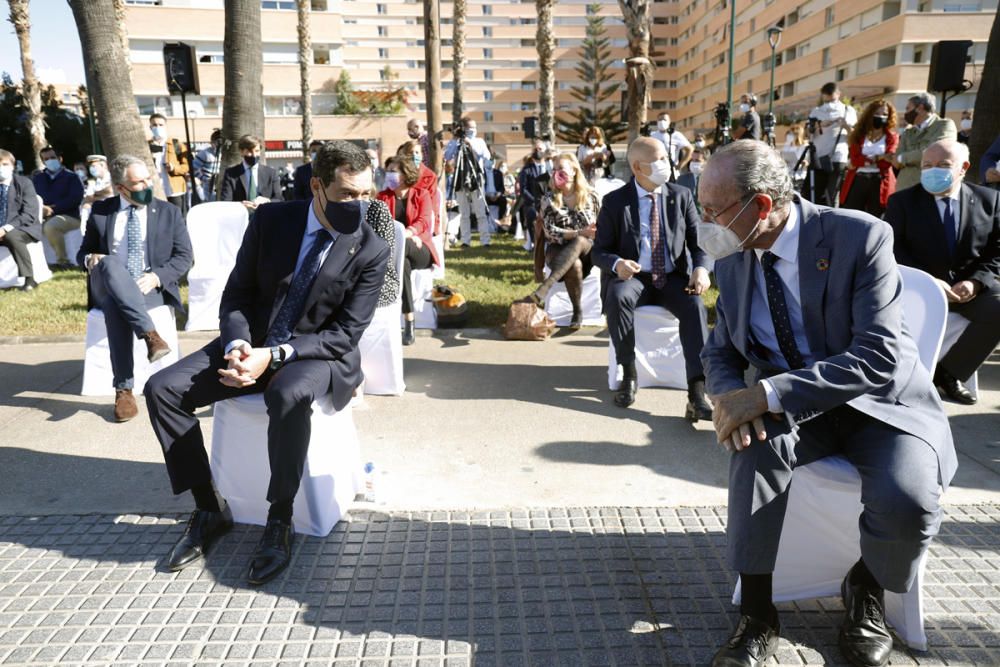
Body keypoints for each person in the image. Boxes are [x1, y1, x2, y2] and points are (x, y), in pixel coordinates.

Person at [697, 140, 956, 667]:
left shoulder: (859, 236)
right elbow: (719, 349)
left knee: (908, 500)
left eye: (712, 210)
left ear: (761, 206)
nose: (705, 223)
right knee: (752, 451)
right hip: (792, 408)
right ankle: (758, 612)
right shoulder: (734, 260)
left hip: (882, 405)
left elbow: (877, 357)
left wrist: (764, 394)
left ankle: (866, 586)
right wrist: (730, 401)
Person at [143, 140, 390, 586]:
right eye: (347, 195)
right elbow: (237, 294)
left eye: (366, 194)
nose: (359, 204)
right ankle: (206, 508)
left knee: (287, 392)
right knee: (163, 389)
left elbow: (346, 333)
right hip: (252, 340)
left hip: (318, 352)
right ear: (317, 186)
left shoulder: (371, 246)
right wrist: (238, 345)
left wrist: (273, 356)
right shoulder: (272, 220)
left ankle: (280, 519)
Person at [592, 136, 713, 419]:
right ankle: (628, 373)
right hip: (634, 277)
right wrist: (617, 263)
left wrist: (701, 268)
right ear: (637, 167)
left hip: (671, 277)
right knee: (619, 296)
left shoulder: (680, 196)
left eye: (665, 158)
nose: (666, 164)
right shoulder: (615, 201)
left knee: (695, 307)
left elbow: (699, 242)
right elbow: (599, 251)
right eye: (658, 160)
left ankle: (697, 390)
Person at [884, 139, 1000, 405]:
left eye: (943, 165)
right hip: (919, 288)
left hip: (968, 290)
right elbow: (892, 249)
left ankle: (949, 375)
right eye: (927, 165)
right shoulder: (902, 202)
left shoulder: (989, 200)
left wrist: (975, 283)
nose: (933, 171)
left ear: (963, 168)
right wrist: (928, 282)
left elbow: (997, 250)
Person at [78, 155, 193, 421]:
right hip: (105, 282)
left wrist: (156, 277)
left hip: (147, 284)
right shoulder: (102, 211)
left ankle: (124, 390)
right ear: (121, 188)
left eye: (148, 179)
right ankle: (150, 335)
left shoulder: (168, 212)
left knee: (115, 306)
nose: (147, 185)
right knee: (108, 265)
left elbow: (184, 256)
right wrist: (90, 258)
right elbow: (83, 252)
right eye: (139, 183)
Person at [525, 153, 600, 329]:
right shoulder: (548, 199)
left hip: (587, 250)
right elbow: (550, 231)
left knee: (581, 241)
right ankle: (577, 311)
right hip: (557, 250)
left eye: (561, 169)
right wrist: (579, 232)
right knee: (575, 263)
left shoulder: (592, 196)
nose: (557, 173)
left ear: (574, 171)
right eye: (554, 170)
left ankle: (545, 287)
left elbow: (601, 224)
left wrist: (590, 233)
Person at [377, 156, 441, 345]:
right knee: (401, 263)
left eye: (393, 171)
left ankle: (391, 302)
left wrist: (409, 232)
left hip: (420, 249)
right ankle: (409, 321)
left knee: (401, 247)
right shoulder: (382, 197)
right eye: (388, 170)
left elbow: (423, 221)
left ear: (406, 174)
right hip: (398, 252)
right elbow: (379, 225)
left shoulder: (421, 194)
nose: (389, 175)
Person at [839, 99, 899, 218]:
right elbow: (855, 160)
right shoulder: (859, 135)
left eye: (885, 114)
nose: (881, 117)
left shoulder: (892, 137)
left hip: (879, 181)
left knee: (876, 218)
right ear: (870, 114)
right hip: (858, 180)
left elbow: (887, 163)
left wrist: (865, 160)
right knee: (852, 217)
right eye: (877, 113)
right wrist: (878, 157)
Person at [889, 92, 957, 191]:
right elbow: (896, 162)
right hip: (904, 190)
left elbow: (934, 153)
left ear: (920, 108)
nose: (906, 113)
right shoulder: (908, 132)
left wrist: (903, 158)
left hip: (929, 189)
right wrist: (903, 158)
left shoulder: (944, 126)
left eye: (908, 108)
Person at [807, 83, 857, 207]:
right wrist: (819, 125)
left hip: (838, 156)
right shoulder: (817, 111)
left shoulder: (848, 110)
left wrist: (845, 125)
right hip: (819, 157)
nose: (829, 103)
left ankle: (832, 220)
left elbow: (855, 135)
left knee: (832, 194)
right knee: (815, 195)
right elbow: (807, 134)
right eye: (826, 99)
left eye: (832, 99)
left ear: (839, 95)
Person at [444, 117, 492, 247]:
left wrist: (470, 144)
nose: (473, 130)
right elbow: (447, 156)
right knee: (463, 212)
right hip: (460, 178)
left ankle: (485, 240)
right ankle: (466, 240)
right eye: (470, 128)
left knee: (480, 211)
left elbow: (486, 156)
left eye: (475, 128)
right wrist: (455, 140)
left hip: (476, 177)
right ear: (463, 129)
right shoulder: (456, 142)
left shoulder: (479, 141)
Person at [35, 146, 84, 268]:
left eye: (52, 157)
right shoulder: (38, 178)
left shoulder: (72, 177)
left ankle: (63, 261)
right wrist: (42, 209)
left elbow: (75, 199)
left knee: (51, 227)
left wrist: (52, 210)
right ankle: (36, 264)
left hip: (70, 217)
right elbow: (34, 197)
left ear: (60, 159)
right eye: (46, 159)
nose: (49, 161)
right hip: (43, 214)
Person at [0, 149, 41, 291]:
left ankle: (30, 279)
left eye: (4, 164)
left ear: (12, 165)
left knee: (12, 236)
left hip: (24, 227)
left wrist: (5, 228)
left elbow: (29, 214)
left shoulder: (24, 183)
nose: (1, 168)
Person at [219, 135, 283, 214]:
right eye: (249, 151)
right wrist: (241, 205)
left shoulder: (271, 173)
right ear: (241, 152)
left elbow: (279, 199)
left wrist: (267, 201)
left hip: (265, 218)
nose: (254, 155)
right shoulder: (231, 174)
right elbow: (226, 201)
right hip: (241, 218)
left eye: (257, 151)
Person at [148, 113, 191, 215]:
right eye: (154, 125)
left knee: (179, 216)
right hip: (156, 189)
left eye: (160, 124)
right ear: (150, 127)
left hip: (175, 190)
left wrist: (173, 168)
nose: (157, 127)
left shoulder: (176, 144)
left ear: (165, 126)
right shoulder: (147, 146)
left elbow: (187, 167)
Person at [396, 139, 442, 235]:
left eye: (417, 152)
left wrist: (436, 227)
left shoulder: (429, 176)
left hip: (421, 216)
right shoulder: (398, 173)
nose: (414, 155)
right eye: (410, 153)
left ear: (421, 156)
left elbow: (434, 203)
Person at [518, 138, 551, 250]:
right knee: (531, 214)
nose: (538, 151)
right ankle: (534, 243)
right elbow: (523, 190)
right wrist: (535, 201)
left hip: (550, 201)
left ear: (545, 151)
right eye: (535, 149)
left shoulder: (550, 168)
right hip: (532, 203)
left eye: (540, 149)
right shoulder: (526, 170)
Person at [650, 113, 692, 180]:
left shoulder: (676, 135)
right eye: (660, 119)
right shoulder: (652, 136)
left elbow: (690, 149)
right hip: (656, 170)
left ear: (669, 121)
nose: (662, 122)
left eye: (664, 119)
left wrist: (681, 165)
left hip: (671, 171)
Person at [80, 154, 115, 226]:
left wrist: (94, 195)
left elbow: (111, 191)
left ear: (103, 165)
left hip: (111, 208)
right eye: (90, 166)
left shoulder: (112, 177)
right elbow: (88, 199)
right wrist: (100, 194)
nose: (91, 168)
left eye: (93, 166)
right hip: (98, 209)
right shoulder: (94, 181)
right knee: (85, 207)